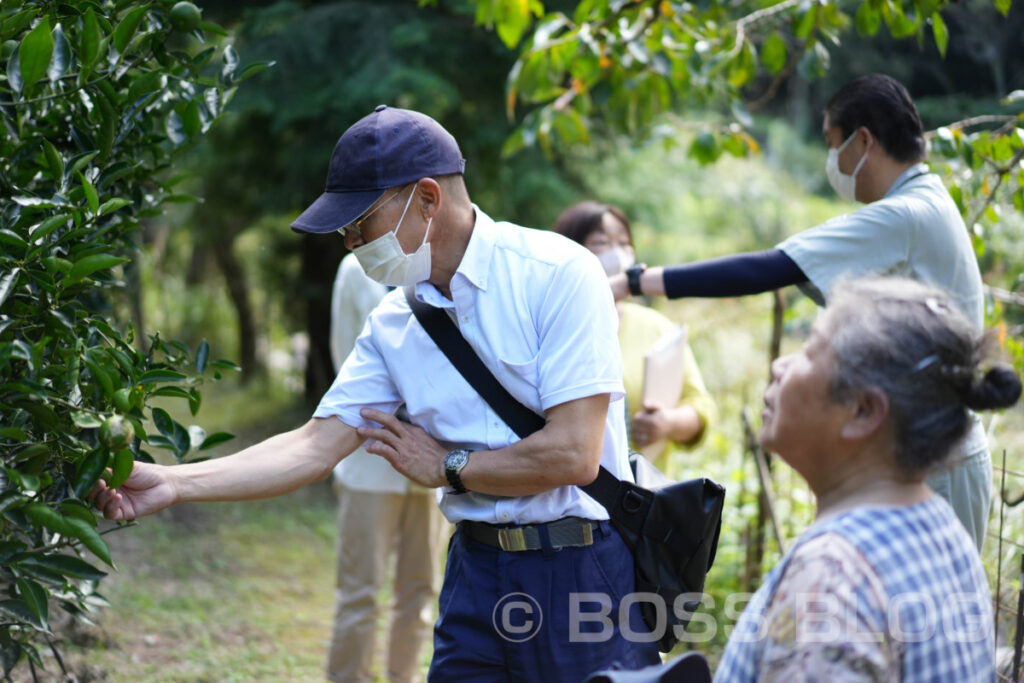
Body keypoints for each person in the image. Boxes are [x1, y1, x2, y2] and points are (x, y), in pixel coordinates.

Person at [92, 105, 661, 681]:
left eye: (361, 222)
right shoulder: (396, 324)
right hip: (477, 571)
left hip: (580, 569)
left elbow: (572, 453)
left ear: (428, 199)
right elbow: (313, 446)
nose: (351, 242)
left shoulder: (558, 273)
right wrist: (172, 481)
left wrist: (449, 466)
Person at [610, 74, 993, 550]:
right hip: (927, 447)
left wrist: (633, 281)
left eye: (834, 145)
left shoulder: (906, 214)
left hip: (937, 462)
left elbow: (767, 269)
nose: (833, 160)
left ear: (865, 141)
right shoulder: (924, 205)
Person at [715, 276, 1020, 681]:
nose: (779, 365)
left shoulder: (831, 577)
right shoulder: (943, 530)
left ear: (862, 411)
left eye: (809, 352)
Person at [325, 253, 444, 683]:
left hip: (433, 466)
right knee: (360, 593)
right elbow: (346, 361)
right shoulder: (357, 272)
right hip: (369, 461)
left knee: (420, 592)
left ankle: (404, 676)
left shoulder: (442, 267)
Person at [553, 201, 717, 478]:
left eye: (624, 242)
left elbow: (701, 407)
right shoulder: (552, 330)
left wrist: (667, 423)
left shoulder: (657, 328)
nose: (618, 254)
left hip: (645, 498)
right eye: (601, 242)